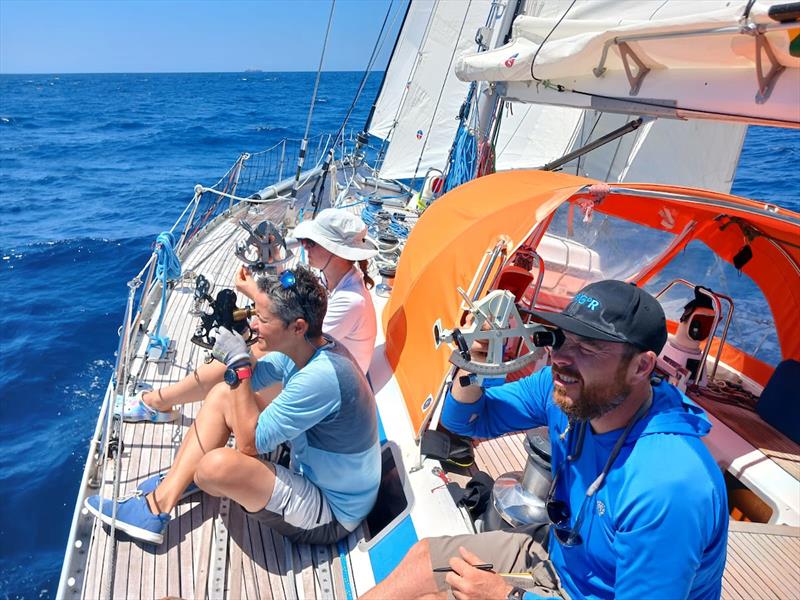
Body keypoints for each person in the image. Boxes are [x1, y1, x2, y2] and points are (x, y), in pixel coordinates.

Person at [363, 280, 728, 600]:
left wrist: (510, 598)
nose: (561, 360)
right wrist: (473, 361)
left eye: (588, 348)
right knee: (424, 560)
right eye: (561, 339)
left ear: (641, 367)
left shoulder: (668, 485)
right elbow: (468, 420)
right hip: (557, 562)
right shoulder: (568, 391)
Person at [85, 266, 381, 545]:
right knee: (223, 394)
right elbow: (247, 381)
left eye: (263, 320)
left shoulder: (322, 376)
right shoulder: (310, 348)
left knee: (212, 469)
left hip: (332, 511)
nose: (255, 324)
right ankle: (159, 503)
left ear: (297, 327)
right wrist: (239, 349)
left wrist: (238, 361)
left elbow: (249, 444)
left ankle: (182, 481)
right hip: (306, 462)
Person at [120, 207, 379, 422]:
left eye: (311, 243)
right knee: (245, 354)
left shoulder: (349, 301)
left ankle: (155, 402)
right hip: (320, 372)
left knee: (243, 359)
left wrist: (256, 293)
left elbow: (302, 336)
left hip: (331, 392)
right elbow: (298, 308)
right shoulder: (334, 278)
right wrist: (276, 261)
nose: (304, 247)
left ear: (334, 251)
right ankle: (161, 401)